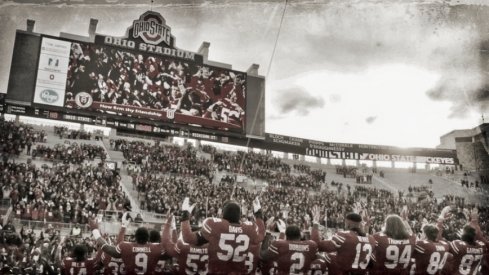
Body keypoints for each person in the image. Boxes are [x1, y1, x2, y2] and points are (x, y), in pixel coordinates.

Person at [180, 197, 265, 275]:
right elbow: (261, 235)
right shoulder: (249, 228)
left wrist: (185, 214)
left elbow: (188, 238)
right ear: (239, 216)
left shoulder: (215, 226)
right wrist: (258, 214)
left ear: (223, 214)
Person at [89, 212, 166, 275]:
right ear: (148, 238)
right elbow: (171, 247)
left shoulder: (126, 247)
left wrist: (95, 231)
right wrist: (169, 227)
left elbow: (107, 248)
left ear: (135, 237)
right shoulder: (157, 248)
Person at [311, 210, 375, 275]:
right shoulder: (371, 239)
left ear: (348, 224)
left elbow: (317, 245)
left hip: (345, 272)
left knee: (328, 257)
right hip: (362, 272)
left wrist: (315, 224)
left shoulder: (345, 236)